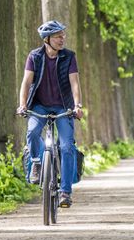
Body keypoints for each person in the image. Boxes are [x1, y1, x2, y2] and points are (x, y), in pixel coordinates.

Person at [16, 20, 84, 208]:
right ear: (47, 39)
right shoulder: (34, 56)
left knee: (67, 146)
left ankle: (65, 192)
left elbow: (75, 83)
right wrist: (23, 105)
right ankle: (37, 163)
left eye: (63, 35)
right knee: (32, 132)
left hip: (63, 107)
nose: (62, 39)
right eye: (58, 36)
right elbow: (26, 82)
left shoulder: (69, 57)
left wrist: (78, 105)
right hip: (39, 106)